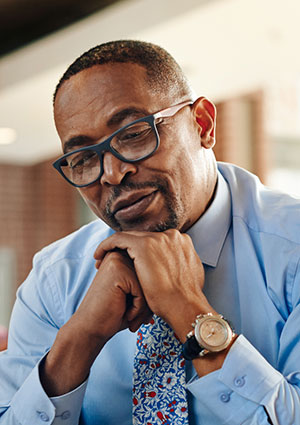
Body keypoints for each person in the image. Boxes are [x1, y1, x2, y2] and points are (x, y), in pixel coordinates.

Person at [0, 39, 300, 425]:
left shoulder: (290, 250)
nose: (111, 173)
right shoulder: (56, 278)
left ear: (203, 125)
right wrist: (80, 339)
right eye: (83, 158)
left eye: (133, 133)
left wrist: (187, 309)